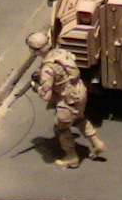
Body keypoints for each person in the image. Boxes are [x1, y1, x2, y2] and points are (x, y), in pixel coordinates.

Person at [26, 31, 106, 169]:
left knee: (62, 128)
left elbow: (46, 96)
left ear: (35, 51)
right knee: (79, 118)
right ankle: (96, 142)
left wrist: (36, 87)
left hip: (67, 100)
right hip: (80, 92)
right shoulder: (62, 53)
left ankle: (71, 157)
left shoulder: (47, 69)